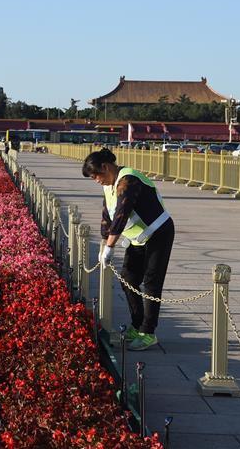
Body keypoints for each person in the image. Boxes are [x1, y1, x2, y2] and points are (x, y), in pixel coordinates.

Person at [82, 147, 175, 351]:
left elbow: (122, 213)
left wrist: (110, 247)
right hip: (138, 239)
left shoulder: (128, 180)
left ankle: (148, 332)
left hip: (159, 233)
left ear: (106, 167)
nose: (97, 180)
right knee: (128, 278)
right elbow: (108, 216)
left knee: (151, 282)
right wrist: (103, 243)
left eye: (96, 175)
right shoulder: (109, 186)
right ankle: (137, 324)